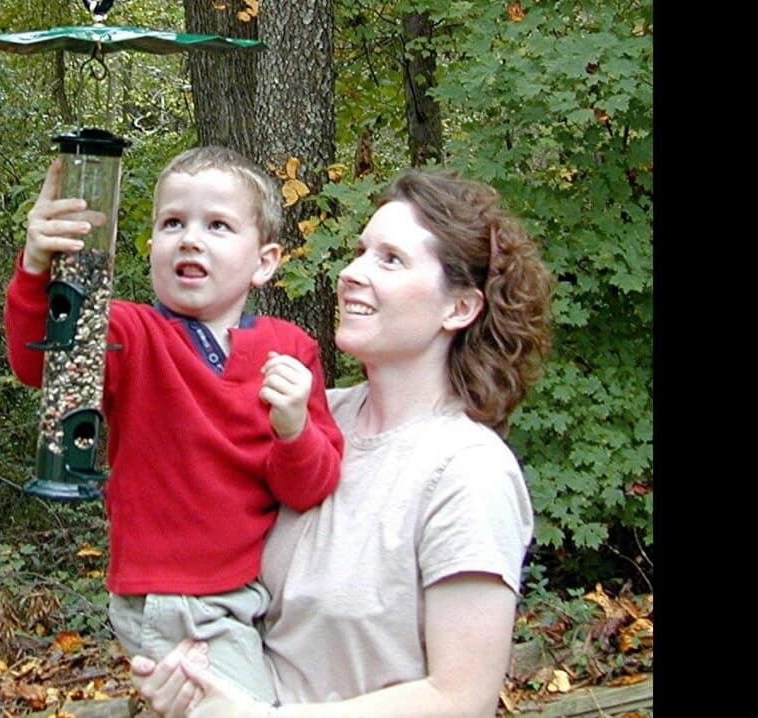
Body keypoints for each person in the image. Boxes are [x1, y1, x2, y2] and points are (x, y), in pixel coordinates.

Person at [131, 167, 554, 718]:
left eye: (390, 260)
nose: (352, 273)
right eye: (360, 251)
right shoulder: (309, 417)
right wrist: (188, 683)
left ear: (459, 308)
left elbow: (460, 698)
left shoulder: (468, 473)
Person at [4, 145, 345, 703]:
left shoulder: (290, 350)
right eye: (172, 223)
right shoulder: (130, 333)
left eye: (217, 225)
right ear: (152, 247)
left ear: (265, 260)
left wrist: (293, 430)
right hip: (175, 599)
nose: (190, 238)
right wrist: (38, 264)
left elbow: (310, 486)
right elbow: (38, 360)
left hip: (256, 593)